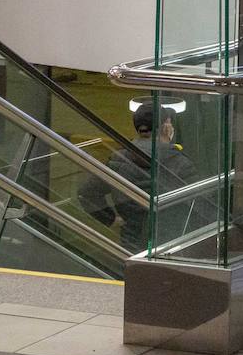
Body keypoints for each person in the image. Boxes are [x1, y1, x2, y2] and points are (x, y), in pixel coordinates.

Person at [80, 102, 195, 253]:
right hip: (171, 243)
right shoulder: (180, 163)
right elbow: (199, 204)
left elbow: (86, 193)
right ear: (166, 127)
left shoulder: (118, 160)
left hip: (131, 243)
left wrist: (111, 219)